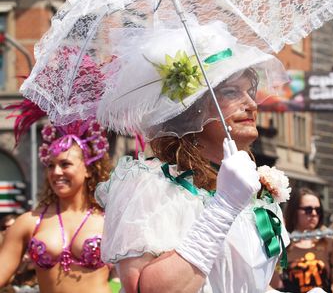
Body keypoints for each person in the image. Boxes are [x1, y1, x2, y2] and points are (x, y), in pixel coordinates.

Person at [95, 20, 291, 293]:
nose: (252, 104)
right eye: (232, 92)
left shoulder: (251, 188)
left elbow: (244, 284)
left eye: (250, 91)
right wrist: (223, 207)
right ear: (194, 109)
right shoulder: (152, 185)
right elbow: (146, 289)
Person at [0, 102, 112, 293]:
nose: (56, 172)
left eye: (65, 164)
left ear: (88, 169)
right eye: (51, 166)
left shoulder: (109, 221)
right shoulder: (29, 222)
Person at [271, 187, 333, 293]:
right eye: (308, 210)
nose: (314, 214)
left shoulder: (328, 242)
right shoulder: (283, 243)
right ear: (294, 211)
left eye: (318, 210)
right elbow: (275, 285)